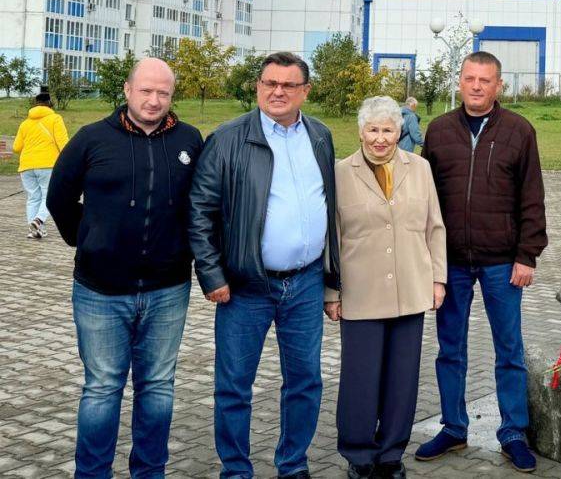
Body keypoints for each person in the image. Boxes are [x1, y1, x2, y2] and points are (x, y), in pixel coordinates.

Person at [46, 58, 204, 478]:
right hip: (100, 291)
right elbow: (58, 199)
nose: (154, 100)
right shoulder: (91, 139)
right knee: (101, 389)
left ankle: (150, 471)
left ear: (172, 96)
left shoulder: (189, 140)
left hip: (167, 290)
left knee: (157, 389)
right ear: (127, 90)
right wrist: (90, 238)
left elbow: (200, 207)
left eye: (163, 93)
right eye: (146, 91)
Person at [188, 51, 338, 479]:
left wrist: (333, 281)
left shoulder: (321, 136)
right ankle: (236, 469)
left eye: (289, 85)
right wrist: (212, 275)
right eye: (270, 83)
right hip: (244, 286)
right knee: (234, 387)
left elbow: (332, 209)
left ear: (305, 92)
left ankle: (293, 464)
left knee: (306, 382)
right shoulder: (228, 138)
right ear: (257, 87)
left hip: (306, 283)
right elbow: (200, 211)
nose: (278, 91)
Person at [416, 51, 547, 473]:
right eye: (470, 78)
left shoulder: (519, 131)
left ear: (498, 85)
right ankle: (454, 427)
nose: (476, 86)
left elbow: (532, 196)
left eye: (485, 80)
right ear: (460, 82)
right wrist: (427, 259)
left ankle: (513, 433)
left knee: (509, 349)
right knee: (449, 349)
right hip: (450, 262)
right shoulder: (437, 131)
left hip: (501, 262)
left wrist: (527, 254)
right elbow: (425, 200)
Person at [326, 96, 446, 479]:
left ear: (400, 131)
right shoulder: (340, 172)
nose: (381, 139)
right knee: (361, 379)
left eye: (388, 130)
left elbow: (435, 227)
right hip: (360, 294)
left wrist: (437, 279)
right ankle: (359, 456)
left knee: (403, 379)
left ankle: (392, 452)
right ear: (361, 131)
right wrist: (332, 292)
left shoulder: (420, 168)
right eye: (373, 129)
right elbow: (333, 237)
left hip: (411, 288)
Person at [13, 91, 68, 238]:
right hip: (47, 165)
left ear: (35, 104)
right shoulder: (55, 119)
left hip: (26, 166)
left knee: (33, 197)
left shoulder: (25, 123)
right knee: (48, 197)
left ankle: (35, 230)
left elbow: (16, 147)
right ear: (50, 104)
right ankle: (38, 220)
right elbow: (63, 144)